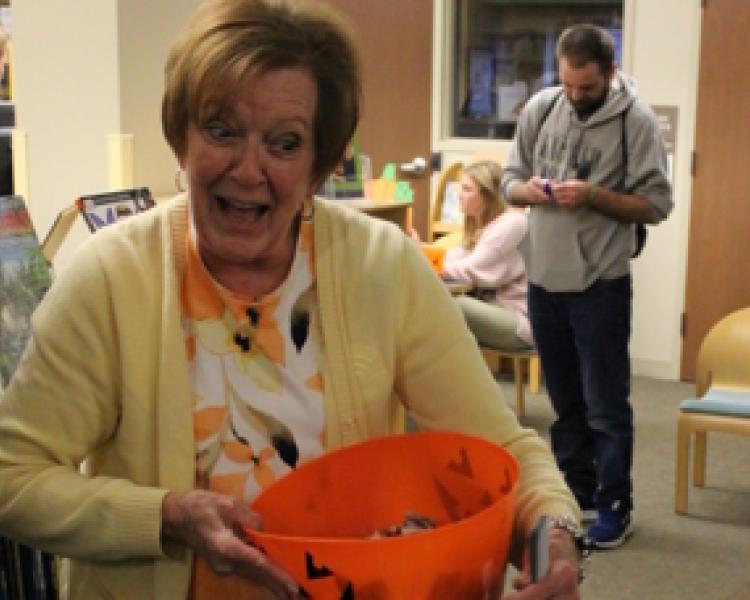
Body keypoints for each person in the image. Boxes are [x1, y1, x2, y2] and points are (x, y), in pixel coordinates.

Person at [0, 1, 584, 598]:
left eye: (284, 144)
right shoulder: (112, 277)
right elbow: (11, 477)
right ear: (181, 140)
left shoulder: (381, 266)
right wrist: (166, 516)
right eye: (222, 130)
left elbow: (503, 448)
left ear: (319, 166)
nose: (248, 170)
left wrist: (554, 535)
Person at [501, 24, 673, 549]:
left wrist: (595, 195)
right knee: (566, 405)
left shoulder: (636, 123)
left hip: (600, 284)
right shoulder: (540, 109)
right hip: (544, 281)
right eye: (568, 84)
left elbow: (656, 205)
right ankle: (578, 495)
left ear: (610, 74)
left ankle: (615, 504)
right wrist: (527, 190)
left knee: (604, 406)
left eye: (588, 88)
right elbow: (507, 182)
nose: (575, 96)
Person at [439, 160, 533, 351]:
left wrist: (423, 266)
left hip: (521, 323)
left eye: (467, 189)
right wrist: (421, 253)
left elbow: (470, 269)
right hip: (498, 310)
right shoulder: (488, 225)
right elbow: (460, 256)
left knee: (446, 304)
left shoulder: (511, 224)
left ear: (488, 196)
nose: (459, 195)